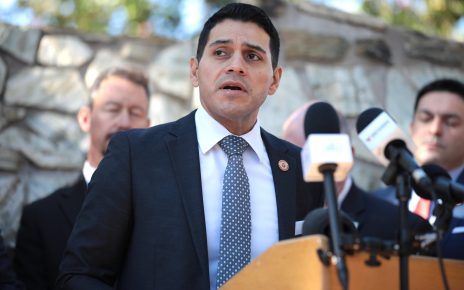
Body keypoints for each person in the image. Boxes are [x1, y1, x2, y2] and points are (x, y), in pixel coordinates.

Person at [56, 3, 324, 290]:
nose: (236, 66)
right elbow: (81, 274)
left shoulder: (299, 168)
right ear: (195, 71)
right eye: (220, 52)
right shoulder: (136, 155)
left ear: (275, 80)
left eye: (252, 56)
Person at [14, 68, 151, 290]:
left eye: (135, 112)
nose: (124, 122)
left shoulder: (167, 209)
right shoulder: (40, 218)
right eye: (112, 109)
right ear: (86, 118)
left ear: (148, 127)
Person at [282, 101, 431, 241]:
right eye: (291, 157)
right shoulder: (278, 220)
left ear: (349, 154)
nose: (299, 166)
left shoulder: (401, 225)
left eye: (306, 155)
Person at [373, 78, 464, 259]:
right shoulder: (378, 204)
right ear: (412, 127)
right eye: (426, 118)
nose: (435, 129)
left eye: (451, 122)